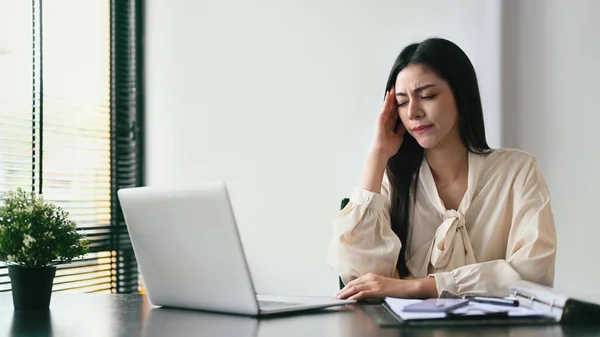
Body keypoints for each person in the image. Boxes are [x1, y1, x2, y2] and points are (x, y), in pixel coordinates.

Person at [327, 37, 557, 301]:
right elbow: (359, 277)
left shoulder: (517, 172)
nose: (413, 112)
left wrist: (419, 286)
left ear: (461, 95)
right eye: (401, 102)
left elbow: (534, 274)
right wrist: (378, 155)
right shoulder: (393, 182)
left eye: (428, 96)